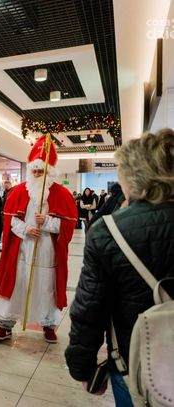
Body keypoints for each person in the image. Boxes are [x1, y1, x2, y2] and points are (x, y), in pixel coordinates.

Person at [65, 129, 174, 405]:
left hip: (136, 361)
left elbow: (90, 309)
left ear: (134, 179)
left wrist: (83, 367)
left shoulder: (110, 231)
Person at [0, 136, 77, 344]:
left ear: (49, 172)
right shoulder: (18, 191)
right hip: (23, 248)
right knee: (17, 283)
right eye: (35, 171)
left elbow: (67, 225)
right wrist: (26, 229)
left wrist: (47, 221)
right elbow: (11, 221)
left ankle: (48, 325)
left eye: (41, 171)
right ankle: (6, 325)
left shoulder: (62, 194)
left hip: (47, 250)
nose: (37, 175)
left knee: (47, 287)